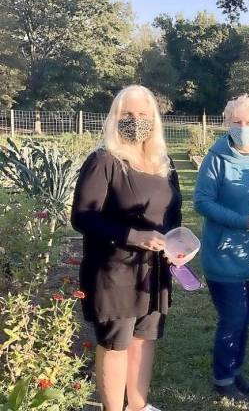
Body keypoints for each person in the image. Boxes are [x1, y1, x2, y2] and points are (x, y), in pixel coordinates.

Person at [71, 85, 182, 411]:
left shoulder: (164, 162)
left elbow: (173, 214)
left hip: (155, 271)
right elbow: (84, 216)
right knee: (116, 343)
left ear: (155, 119)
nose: (136, 121)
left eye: (144, 114)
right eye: (128, 115)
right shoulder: (103, 160)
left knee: (145, 339)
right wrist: (135, 236)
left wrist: (177, 243)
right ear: (115, 118)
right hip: (114, 270)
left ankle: (138, 405)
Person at [194, 95, 249, 400]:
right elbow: (202, 202)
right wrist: (241, 221)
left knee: (247, 317)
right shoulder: (216, 158)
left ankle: (235, 368)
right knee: (233, 318)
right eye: (237, 122)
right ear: (227, 122)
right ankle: (223, 377)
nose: (243, 127)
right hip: (224, 255)